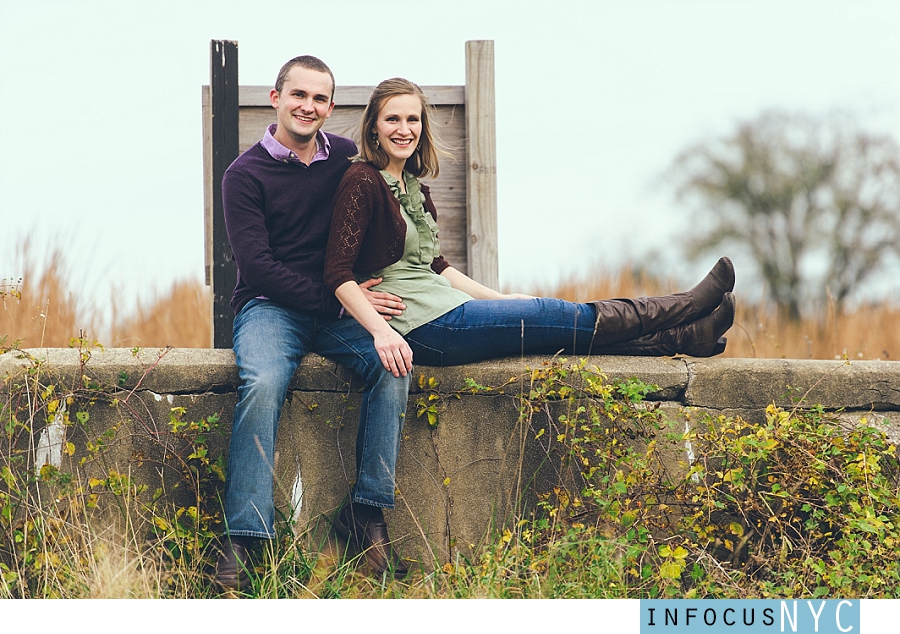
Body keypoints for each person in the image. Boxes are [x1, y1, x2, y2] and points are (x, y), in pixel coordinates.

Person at [324, 77, 736, 378]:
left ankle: (683, 339)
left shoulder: (414, 187)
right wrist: (380, 332)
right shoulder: (361, 180)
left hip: (447, 308)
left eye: (412, 119)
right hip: (423, 326)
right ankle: (687, 304)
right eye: (392, 119)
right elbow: (337, 274)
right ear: (374, 127)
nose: (404, 129)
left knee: (553, 333)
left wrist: (502, 298)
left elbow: (438, 267)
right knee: (552, 314)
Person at [214, 57, 413, 591]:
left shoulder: (348, 159)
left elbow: (398, 207)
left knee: (391, 362)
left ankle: (365, 514)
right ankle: (245, 540)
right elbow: (259, 269)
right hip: (270, 307)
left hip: (339, 305)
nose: (309, 107)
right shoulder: (244, 174)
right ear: (275, 97)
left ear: (331, 106)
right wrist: (341, 303)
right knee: (262, 383)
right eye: (298, 95)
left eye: (320, 99)